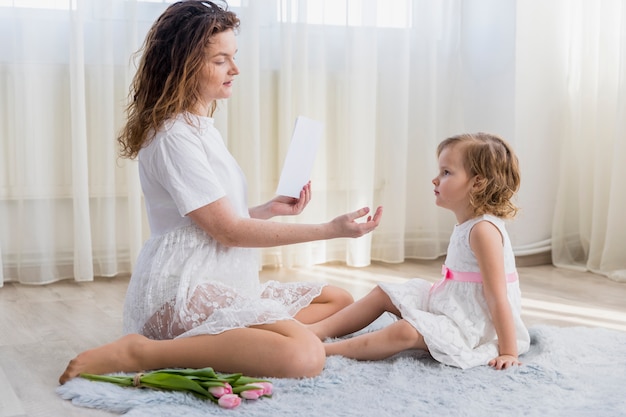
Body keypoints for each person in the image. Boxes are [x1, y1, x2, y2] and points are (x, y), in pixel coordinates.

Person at [59, 0, 382, 384]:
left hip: (222, 282)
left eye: (234, 56)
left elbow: (208, 220)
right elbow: (228, 231)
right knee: (305, 356)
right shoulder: (173, 136)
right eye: (221, 60)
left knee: (338, 302)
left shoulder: (199, 126)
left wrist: (266, 210)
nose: (235, 69)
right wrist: (331, 230)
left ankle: (253, 341)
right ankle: (144, 351)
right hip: (181, 291)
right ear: (185, 65)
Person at [309, 132, 530, 370]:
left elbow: (498, 297)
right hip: (452, 304)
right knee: (385, 293)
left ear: (477, 183)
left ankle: (323, 350)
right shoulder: (469, 224)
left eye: (446, 172)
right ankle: (313, 331)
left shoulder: (483, 231)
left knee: (406, 331)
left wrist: (508, 351)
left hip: (471, 327)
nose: (435, 180)